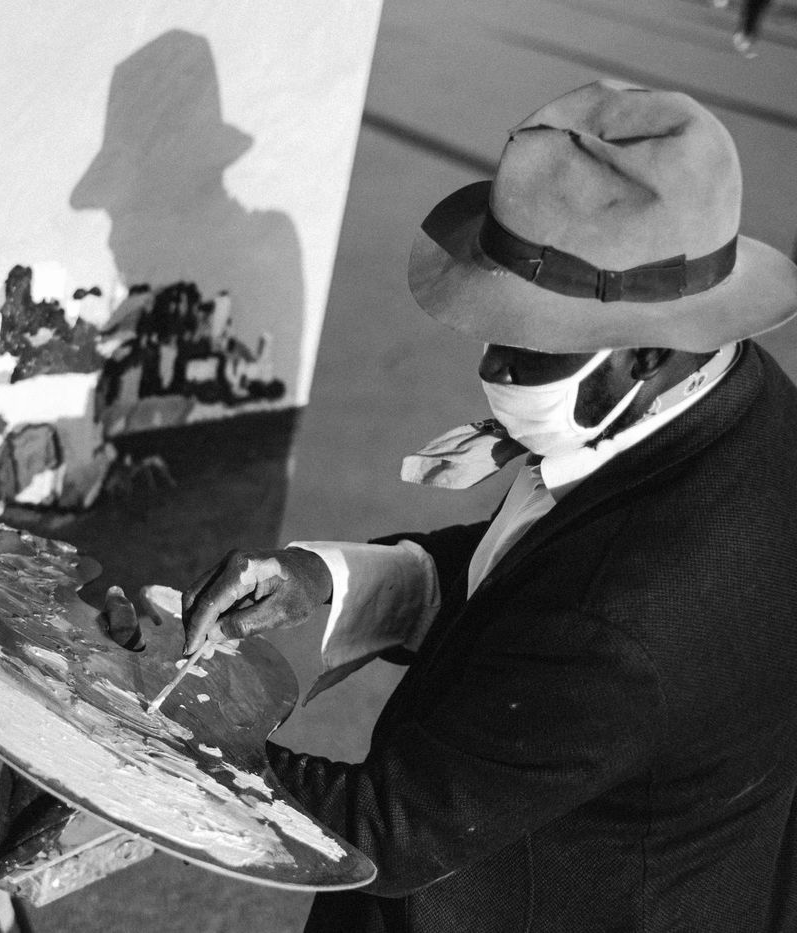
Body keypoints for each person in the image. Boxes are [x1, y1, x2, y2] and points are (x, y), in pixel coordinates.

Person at [181, 80, 797, 931]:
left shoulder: (628, 620)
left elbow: (384, 830)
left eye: (532, 343)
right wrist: (329, 579)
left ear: (649, 352)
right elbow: (534, 568)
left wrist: (168, 741)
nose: (491, 366)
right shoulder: (735, 397)